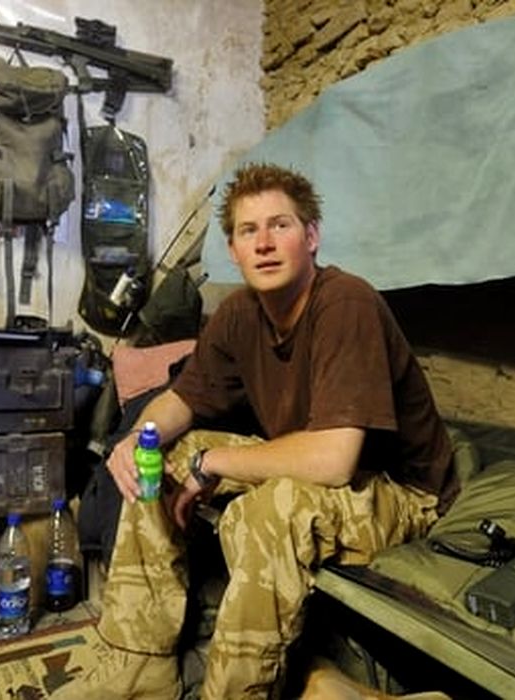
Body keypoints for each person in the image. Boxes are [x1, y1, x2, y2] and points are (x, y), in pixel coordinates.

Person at [63, 162, 457, 700]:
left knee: (269, 511)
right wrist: (136, 439)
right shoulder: (240, 313)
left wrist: (213, 464)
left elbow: (335, 460)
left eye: (281, 225)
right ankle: (142, 664)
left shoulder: (346, 303)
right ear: (233, 249)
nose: (264, 243)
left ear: (311, 237)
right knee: (159, 461)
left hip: (401, 493)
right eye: (249, 230)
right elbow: (183, 398)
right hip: (320, 466)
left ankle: (235, 692)